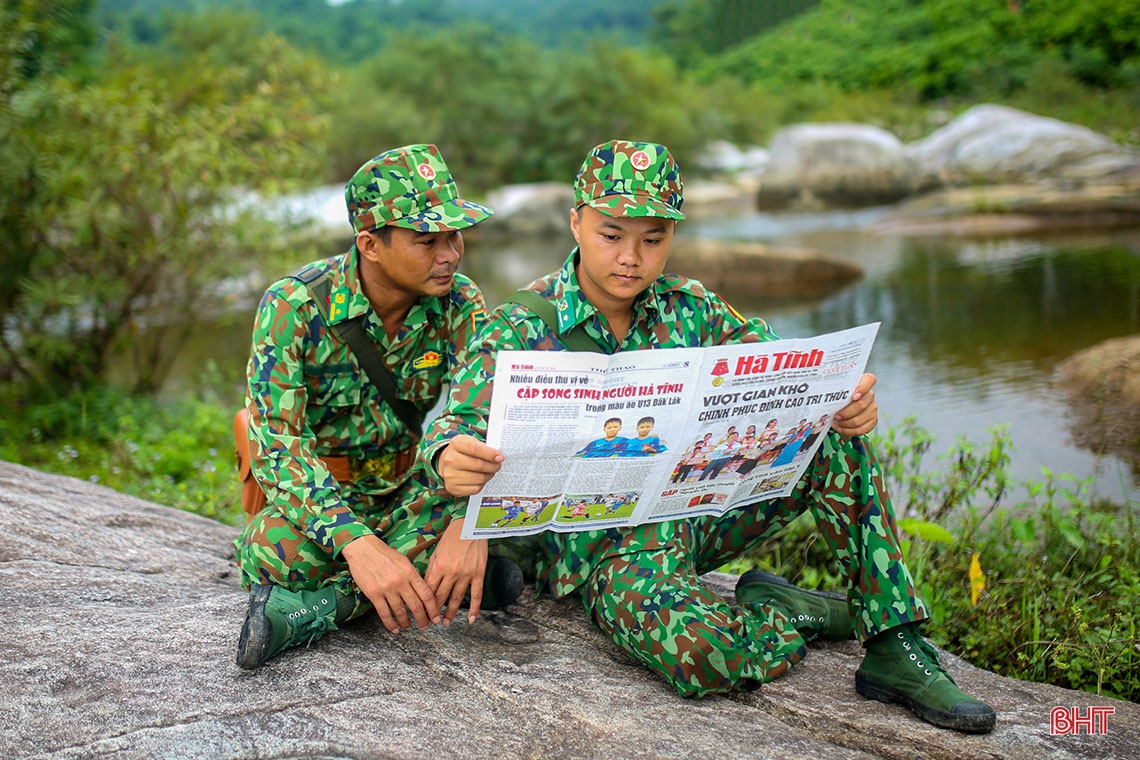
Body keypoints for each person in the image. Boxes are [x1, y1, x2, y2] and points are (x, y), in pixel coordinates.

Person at [419, 139, 996, 734]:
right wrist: (450, 461)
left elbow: (791, 376)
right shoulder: (521, 324)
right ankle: (784, 612)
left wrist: (843, 401)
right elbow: (452, 426)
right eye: (611, 235)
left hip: (692, 517)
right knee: (704, 659)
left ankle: (895, 643)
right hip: (609, 556)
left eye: (652, 240)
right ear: (576, 222)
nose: (630, 258)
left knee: (830, 435)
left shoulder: (692, 309)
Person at [233, 144, 523, 670]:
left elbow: (493, 416)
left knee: (488, 528)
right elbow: (278, 447)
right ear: (370, 244)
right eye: (427, 241)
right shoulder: (293, 307)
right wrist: (357, 544)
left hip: (413, 484)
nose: (450, 254)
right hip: (327, 492)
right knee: (276, 550)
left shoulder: (459, 302)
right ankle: (444, 584)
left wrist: (468, 524)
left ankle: (322, 608)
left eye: (455, 236)